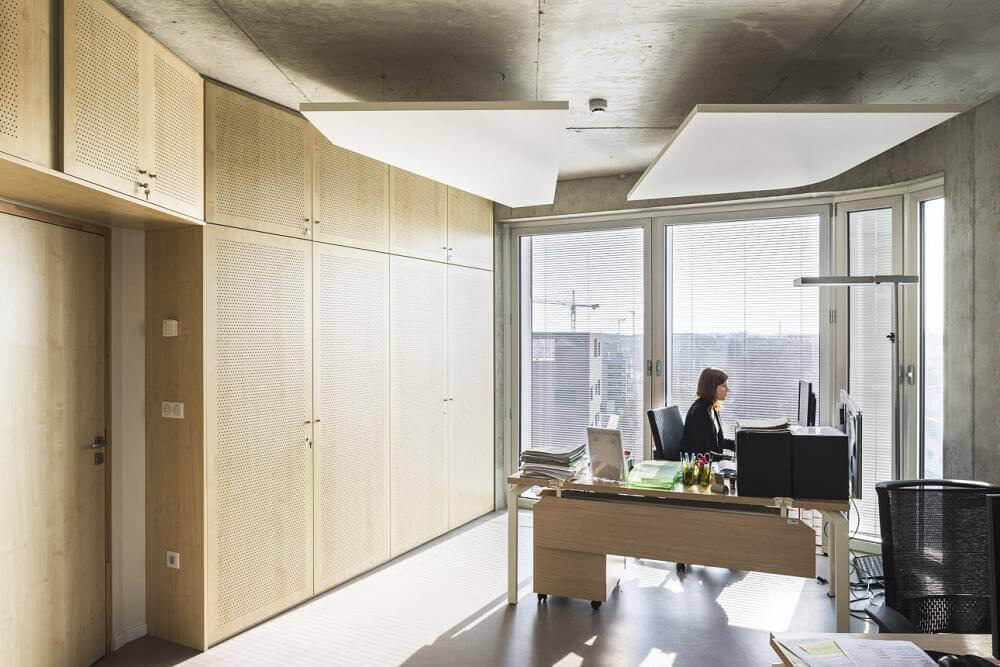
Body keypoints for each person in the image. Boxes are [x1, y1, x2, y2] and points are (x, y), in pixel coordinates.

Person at [680, 367, 734, 456]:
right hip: (698, 462)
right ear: (712, 387)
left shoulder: (713, 406)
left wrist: (740, 445)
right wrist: (728, 458)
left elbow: (717, 441)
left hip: (711, 460)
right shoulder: (699, 412)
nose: (727, 389)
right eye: (723, 386)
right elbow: (702, 451)